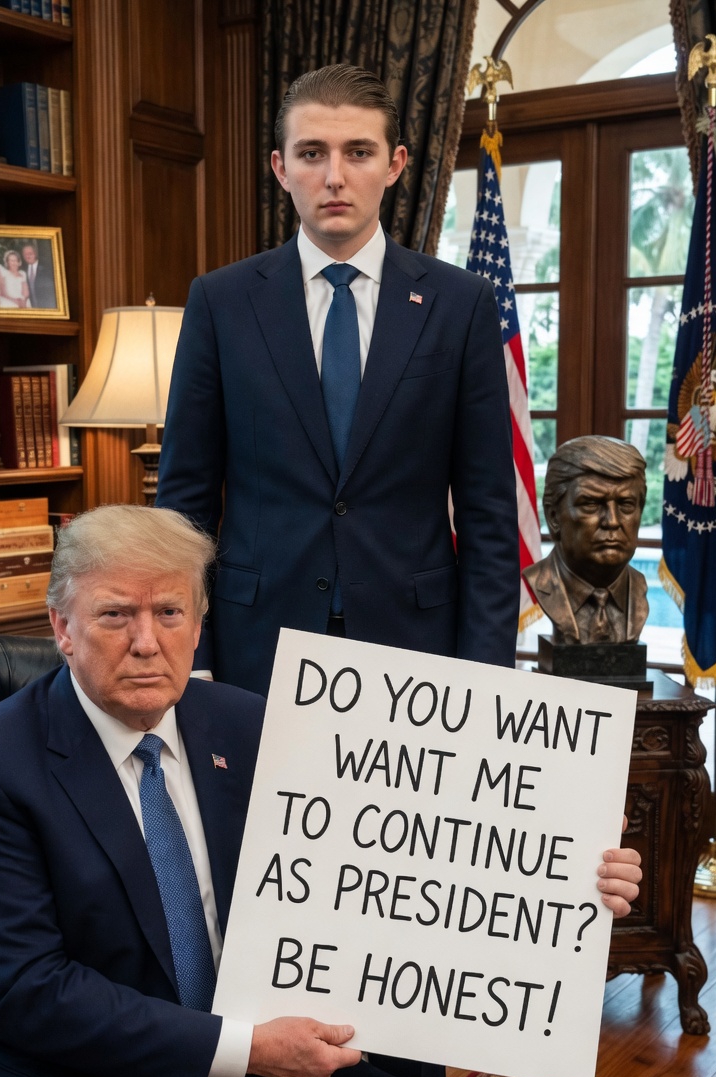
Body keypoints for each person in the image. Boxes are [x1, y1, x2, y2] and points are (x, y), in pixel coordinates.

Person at [0, 504, 641, 1077]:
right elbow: (29, 992)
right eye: (116, 615)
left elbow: (413, 852)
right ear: (62, 626)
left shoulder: (252, 724)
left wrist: (566, 863)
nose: (146, 642)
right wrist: (244, 1048)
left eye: (169, 612)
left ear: (199, 623)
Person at [156, 64, 520, 697]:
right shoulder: (221, 302)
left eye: (358, 152)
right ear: (280, 167)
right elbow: (185, 504)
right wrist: (195, 653)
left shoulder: (461, 305)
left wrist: (485, 674)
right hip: (254, 646)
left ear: (395, 164)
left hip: (417, 651)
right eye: (311, 153)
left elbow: (488, 512)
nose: (334, 176)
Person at [523, 436, 649, 645]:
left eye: (626, 504)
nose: (612, 521)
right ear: (554, 516)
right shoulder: (540, 581)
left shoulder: (639, 589)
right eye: (591, 504)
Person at [21, 241, 57, 308]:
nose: (28, 256)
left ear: (35, 253)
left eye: (30, 253)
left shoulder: (47, 267)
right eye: (25, 254)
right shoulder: (23, 270)